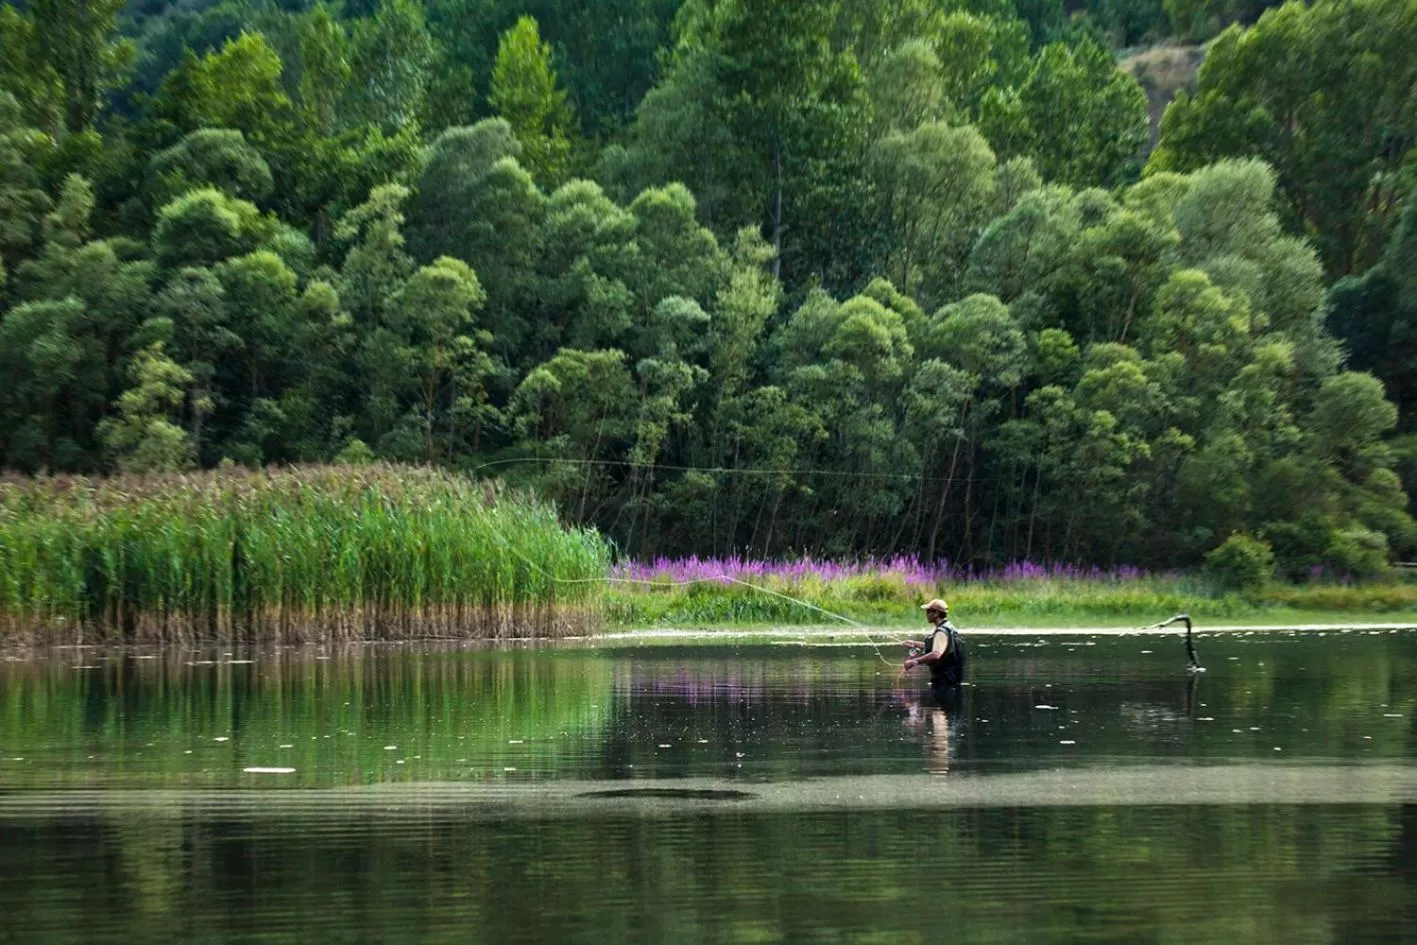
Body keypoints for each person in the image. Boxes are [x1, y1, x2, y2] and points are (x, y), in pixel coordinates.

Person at [901, 598, 965, 700]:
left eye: (928, 611)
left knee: (941, 710)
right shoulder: (948, 627)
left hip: (945, 680)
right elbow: (942, 647)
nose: (926, 614)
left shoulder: (941, 631)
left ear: (936, 613)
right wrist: (914, 644)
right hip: (951, 679)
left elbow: (936, 654)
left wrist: (914, 662)